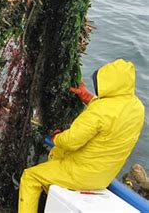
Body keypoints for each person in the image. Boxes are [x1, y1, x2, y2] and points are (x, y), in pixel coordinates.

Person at [18, 58, 145, 213]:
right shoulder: (137, 107)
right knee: (55, 158)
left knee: (30, 177)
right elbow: (113, 114)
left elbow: (71, 141)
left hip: (82, 174)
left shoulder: (100, 111)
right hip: (104, 176)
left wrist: (56, 137)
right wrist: (87, 96)